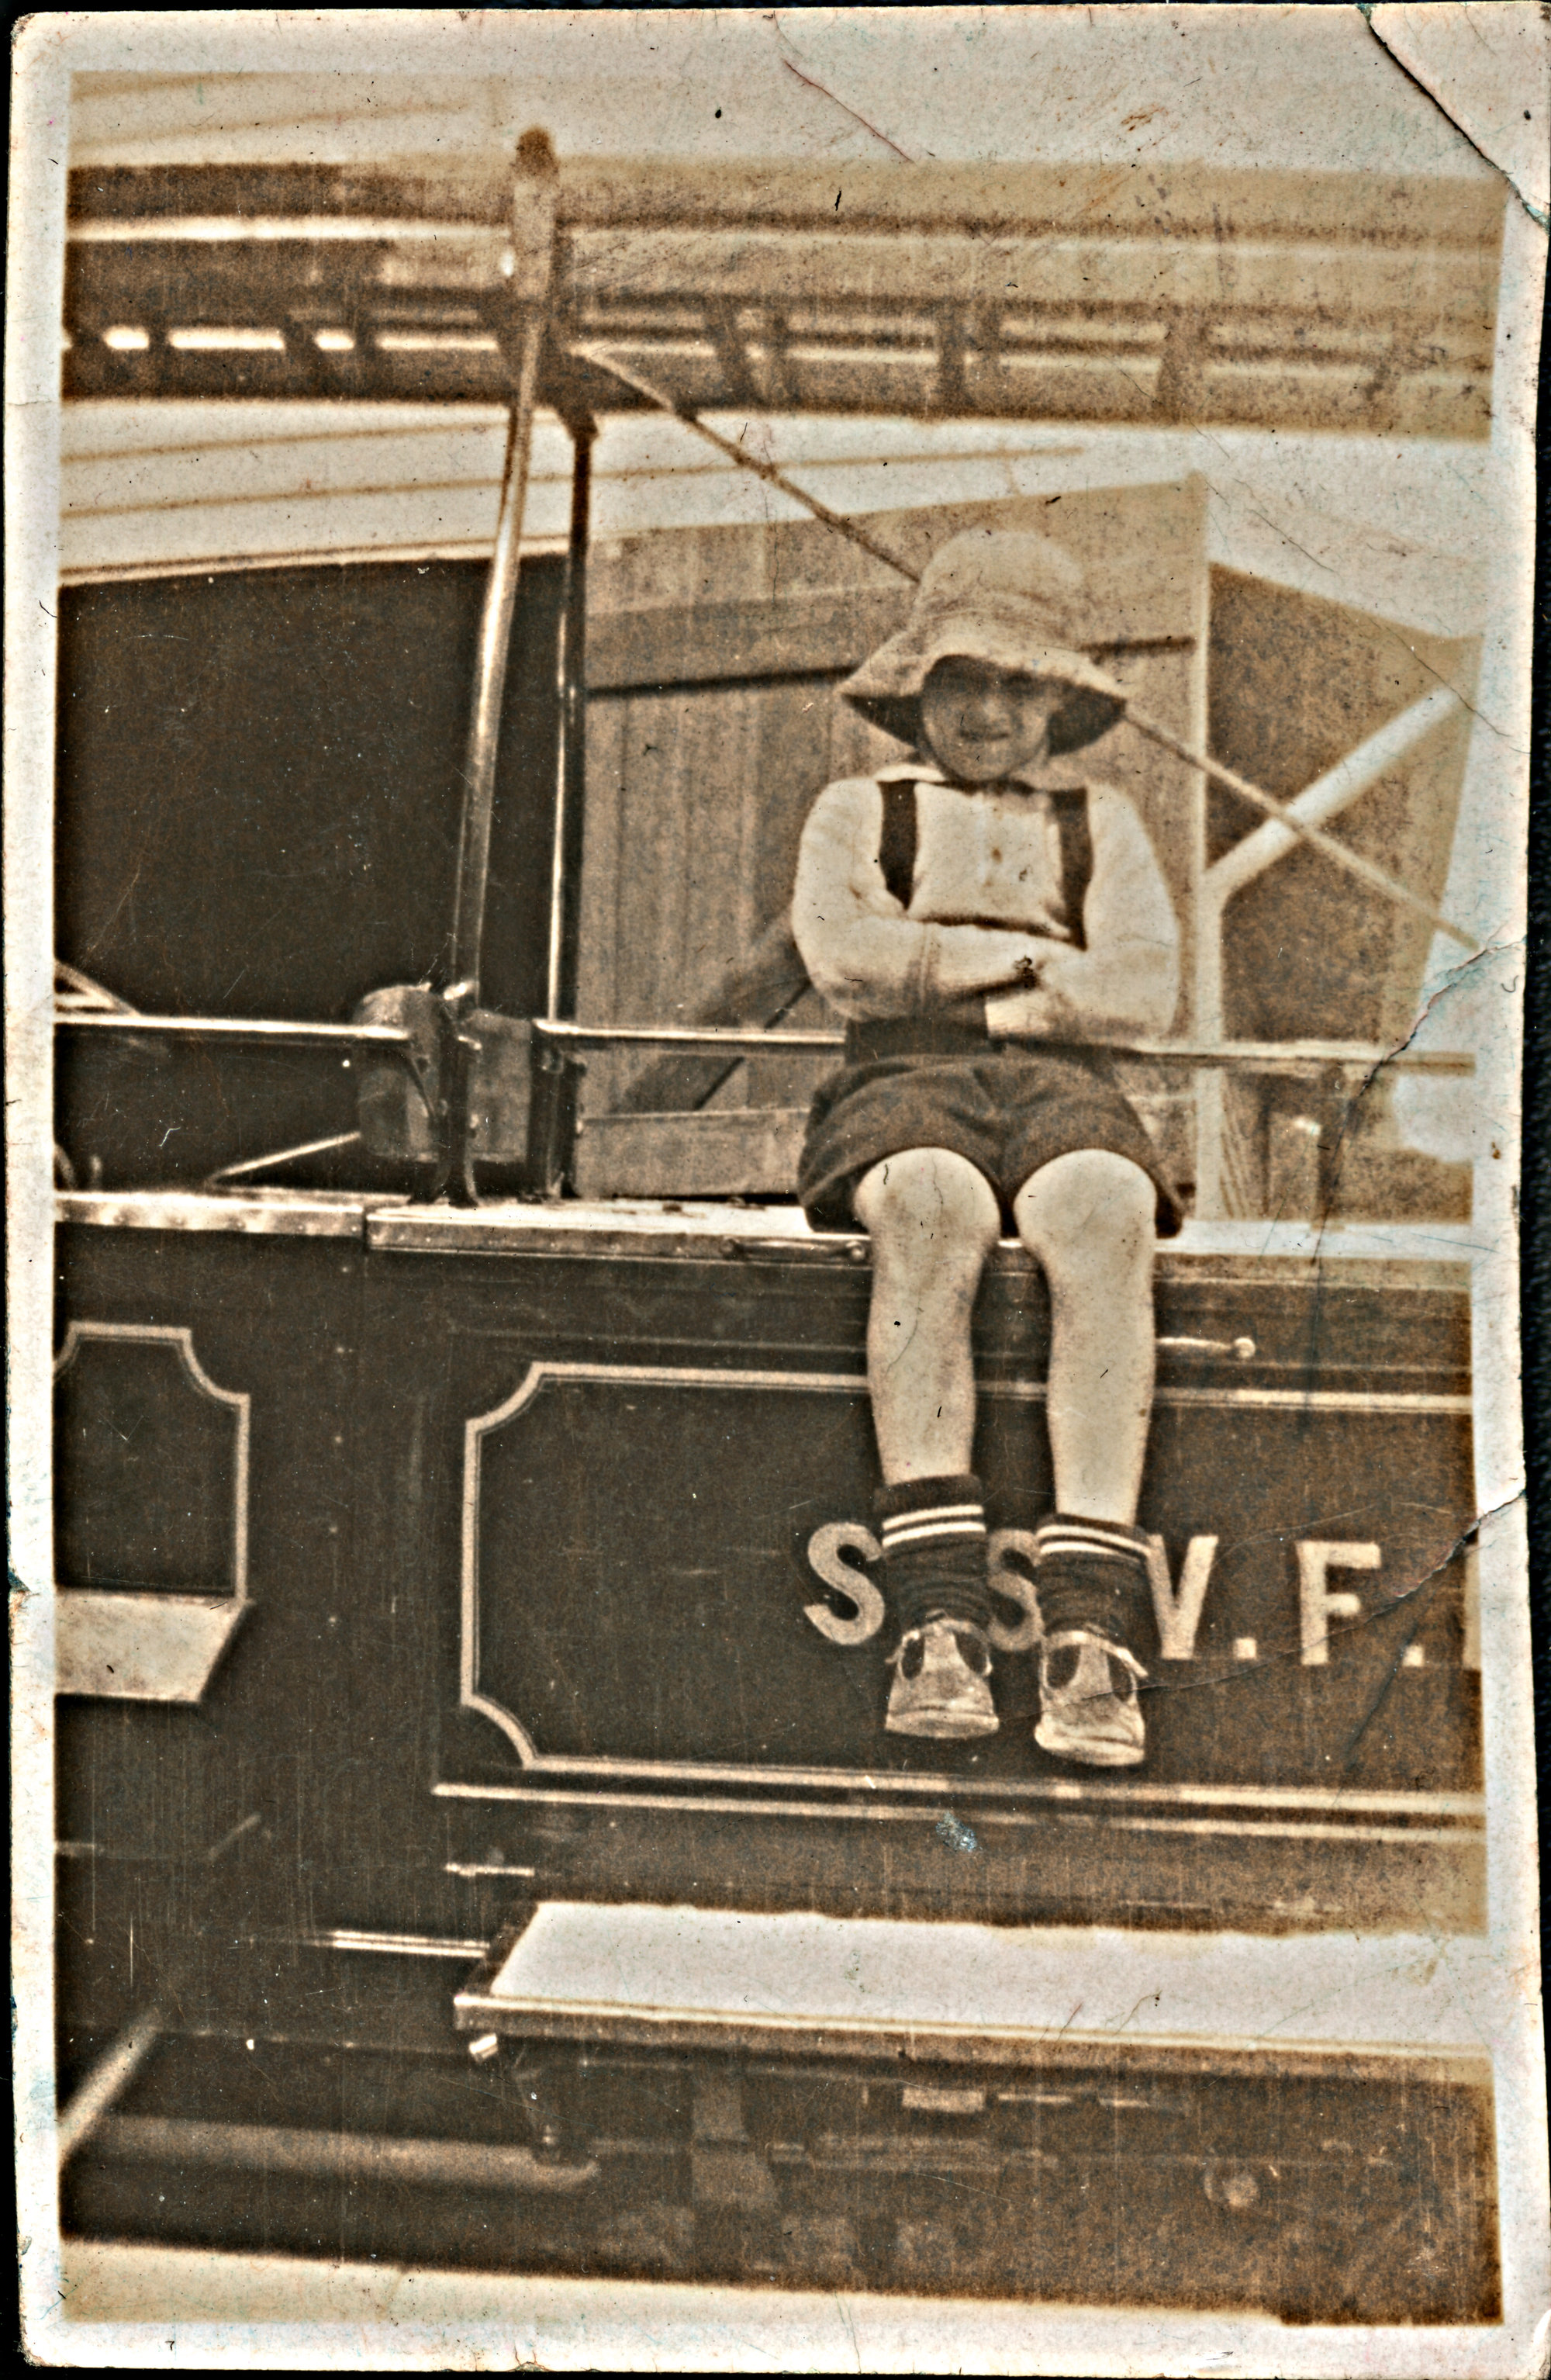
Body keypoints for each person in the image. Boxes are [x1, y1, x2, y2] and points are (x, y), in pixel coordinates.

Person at [792, 531, 1183, 1768]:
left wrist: (958, 980)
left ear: (1061, 701)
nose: (994, 711)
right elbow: (848, 964)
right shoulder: (862, 808)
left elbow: (1142, 989)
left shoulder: (1100, 821)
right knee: (929, 1204)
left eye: (1023, 686)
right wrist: (1033, 963)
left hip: (1065, 1088)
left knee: (1108, 1209)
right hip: (901, 1082)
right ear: (920, 689)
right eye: (967, 680)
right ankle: (940, 1623)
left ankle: (1088, 1642)